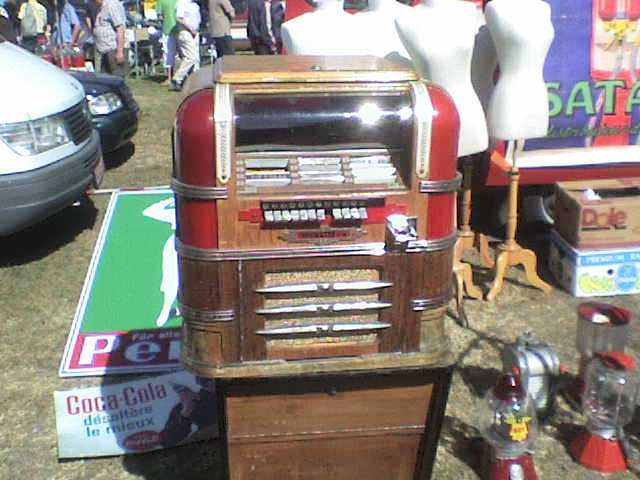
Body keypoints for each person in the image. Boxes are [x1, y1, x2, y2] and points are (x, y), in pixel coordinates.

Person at [171, 0, 200, 91]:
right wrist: (190, 29)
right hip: (185, 32)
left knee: (196, 59)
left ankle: (194, 81)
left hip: (195, 32)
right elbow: (179, 18)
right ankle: (177, 78)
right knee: (191, 57)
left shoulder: (195, 5)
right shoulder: (181, 3)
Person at [92, 0, 127, 76]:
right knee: (105, 80)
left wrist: (119, 51)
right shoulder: (99, 7)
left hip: (113, 49)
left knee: (116, 78)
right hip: (103, 49)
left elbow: (120, 28)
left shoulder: (111, 5)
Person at [156, 0, 177, 82]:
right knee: (180, 54)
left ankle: (169, 77)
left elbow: (160, 17)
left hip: (167, 29)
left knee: (168, 53)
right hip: (180, 29)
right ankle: (180, 76)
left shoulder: (160, 1)